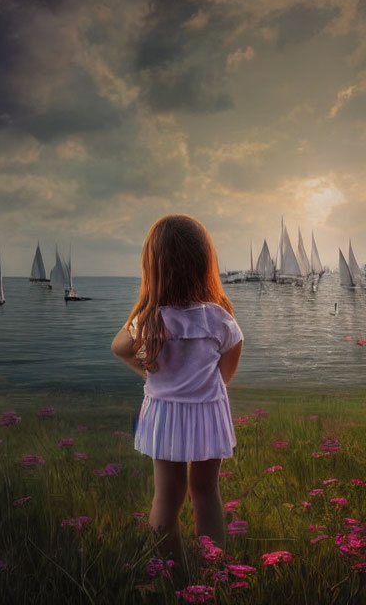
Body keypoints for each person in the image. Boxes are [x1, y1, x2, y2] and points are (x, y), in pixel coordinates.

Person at [111, 214, 242, 563]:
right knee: (206, 493)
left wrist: (148, 372)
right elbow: (225, 372)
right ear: (205, 264)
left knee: (166, 498)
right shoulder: (219, 318)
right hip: (207, 413)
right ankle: (212, 571)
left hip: (164, 414)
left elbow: (119, 346)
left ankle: (168, 573)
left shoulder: (149, 319)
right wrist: (200, 387)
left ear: (152, 267)